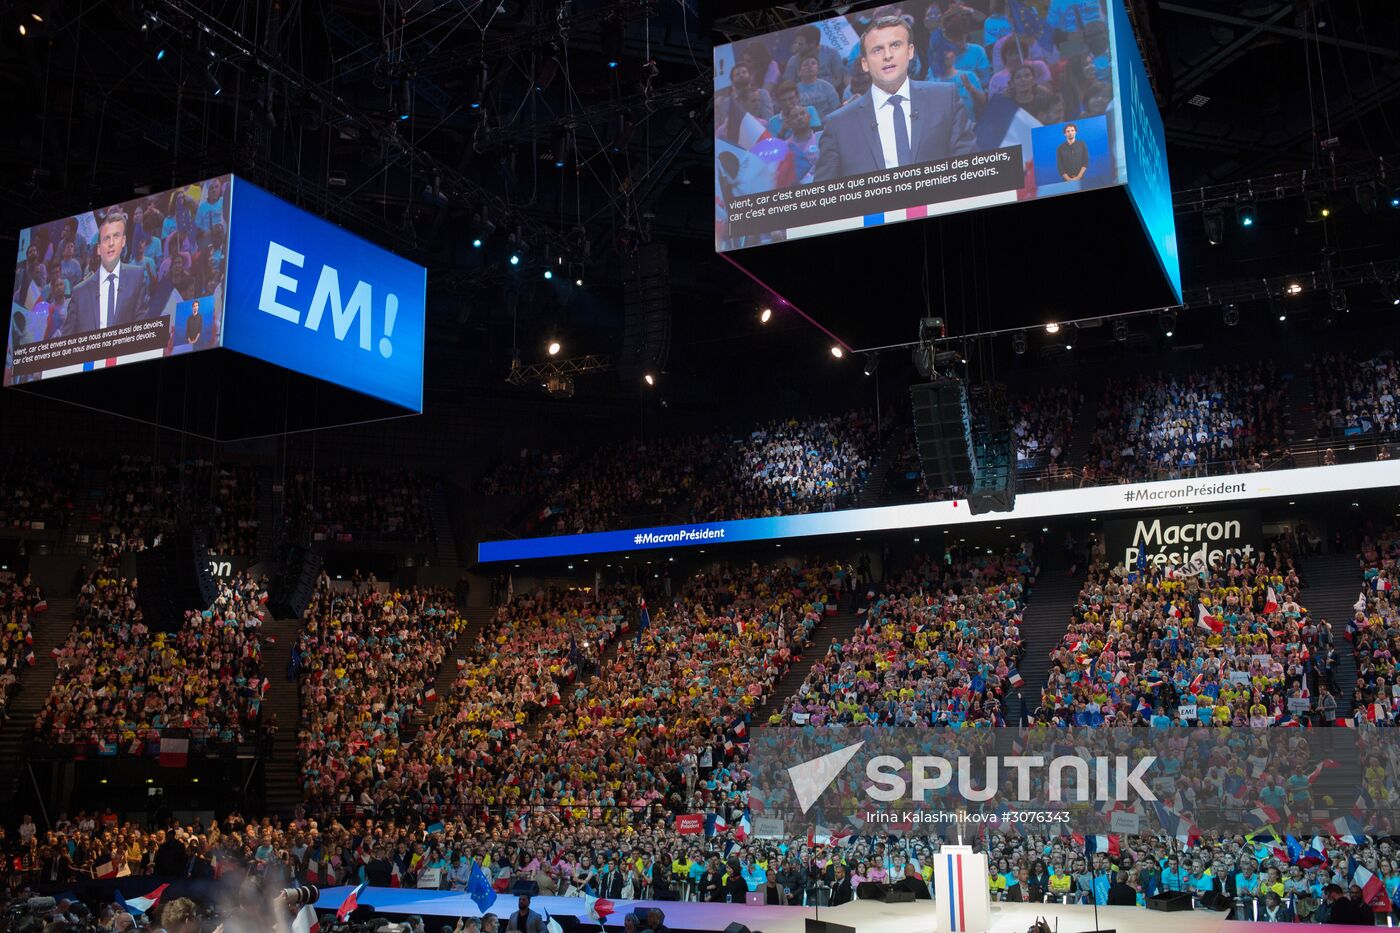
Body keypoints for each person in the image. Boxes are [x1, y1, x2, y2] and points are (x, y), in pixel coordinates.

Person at [812, 15, 975, 182]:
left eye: (895, 45)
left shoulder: (945, 98)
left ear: (910, 51)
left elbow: (968, 171)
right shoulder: (838, 124)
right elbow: (826, 195)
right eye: (877, 50)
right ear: (865, 63)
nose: (887, 55)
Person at [64, 211, 150, 336]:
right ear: (98, 248)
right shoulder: (79, 292)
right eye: (106, 238)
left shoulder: (136, 277)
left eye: (116, 236)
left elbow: (142, 328)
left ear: (123, 241)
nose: (111, 243)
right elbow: (67, 340)